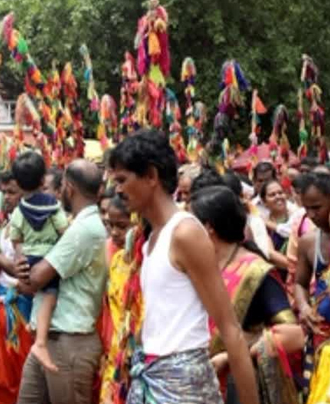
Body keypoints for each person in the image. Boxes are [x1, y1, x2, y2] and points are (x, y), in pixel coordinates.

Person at [108, 129, 257, 404]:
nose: (117, 190)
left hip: (184, 388)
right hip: (151, 381)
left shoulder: (184, 233)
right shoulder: (150, 239)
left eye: (122, 180)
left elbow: (230, 330)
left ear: (151, 176)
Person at [190, 186, 303, 404]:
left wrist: (231, 356)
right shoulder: (198, 265)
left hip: (240, 385)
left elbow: (293, 334)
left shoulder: (256, 272)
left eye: (191, 223)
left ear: (208, 227)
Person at [14, 159, 106, 404]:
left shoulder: (83, 230)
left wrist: (16, 269)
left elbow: (35, 278)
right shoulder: (75, 225)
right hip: (51, 339)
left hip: (69, 342)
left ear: (69, 188)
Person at [8, 151, 68, 373]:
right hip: (49, 260)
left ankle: (35, 334)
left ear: (18, 183)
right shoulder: (53, 206)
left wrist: (21, 257)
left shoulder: (19, 211)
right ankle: (41, 340)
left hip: (30, 261)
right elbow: (64, 231)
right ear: (43, 180)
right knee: (49, 295)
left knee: (34, 294)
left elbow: (16, 239)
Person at [0, 171, 33, 404]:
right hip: (3, 300)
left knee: (18, 363)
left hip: (21, 303)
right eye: (4, 192)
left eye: (12, 192)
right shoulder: (6, 223)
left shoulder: (30, 225)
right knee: (1, 366)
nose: (6, 197)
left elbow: (24, 271)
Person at [293, 172, 330, 400]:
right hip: (321, 336)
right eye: (307, 208)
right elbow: (300, 283)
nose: (312, 215)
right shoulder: (308, 242)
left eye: (317, 207)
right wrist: (304, 307)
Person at [98, 196, 133, 404]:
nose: (114, 232)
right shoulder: (116, 259)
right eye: (110, 225)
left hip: (134, 355)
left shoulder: (145, 263)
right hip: (112, 350)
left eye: (121, 226)